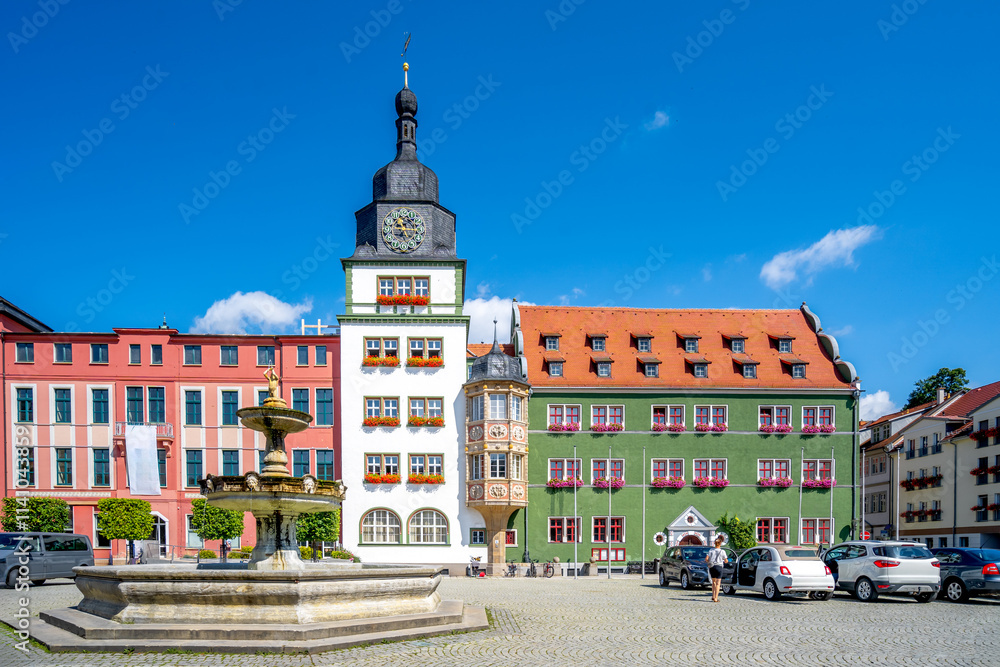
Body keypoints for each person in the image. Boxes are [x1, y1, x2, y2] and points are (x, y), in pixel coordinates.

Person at [705, 537, 729, 602]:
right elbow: (726, 560)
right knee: (718, 583)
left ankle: (713, 596)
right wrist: (725, 561)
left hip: (712, 567)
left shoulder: (711, 550)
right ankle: (716, 598)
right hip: (719, 567)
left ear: (715, 543)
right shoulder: (722, 551)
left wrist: (709, 562)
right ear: (720, 544)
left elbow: (706, 559)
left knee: (713, 582)